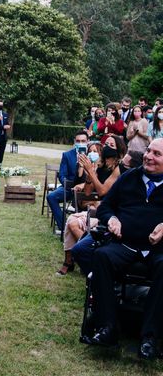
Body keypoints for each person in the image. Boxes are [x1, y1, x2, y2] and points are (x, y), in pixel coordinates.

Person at [82, 139, 163, 359]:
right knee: (101, 257)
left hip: (158, 250)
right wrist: (112, 219)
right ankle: (107, 327)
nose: (148, 156)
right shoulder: (129, 178)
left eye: (157, 154)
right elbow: (106, 206)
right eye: (148, 151)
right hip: (125, 243)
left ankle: (150, 337)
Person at [57, 139, 122, 275]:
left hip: (110, 214)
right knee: (71, 221)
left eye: (112, 145)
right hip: (97, 210)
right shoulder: (100, 166)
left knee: (72, 223)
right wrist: (88, 176)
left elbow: (103, 191)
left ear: (119, 149)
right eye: (106, 144)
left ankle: (78, 258)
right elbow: (87, 192)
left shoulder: (118, 169)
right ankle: (74, 259)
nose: (107, 147)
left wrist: (91, 173)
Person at [47, 130, 89, 232]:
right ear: (74, 142)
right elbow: (62, 175)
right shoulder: (67, 155)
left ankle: (84, 226)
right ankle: (64, 227)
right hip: (69, 187)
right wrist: (68, 185)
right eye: (78, 141)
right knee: (51, 196)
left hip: (88, 187)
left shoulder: (93, 153)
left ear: (88, 141)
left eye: (83, 141)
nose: (80, 143)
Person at [0, 100, 11, 173]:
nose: (0, 106)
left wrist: (8, 126)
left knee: (1, 155)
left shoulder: (5, 114)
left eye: (2, 105)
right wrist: (3, 127)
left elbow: (7, 124)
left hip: (3, 137)